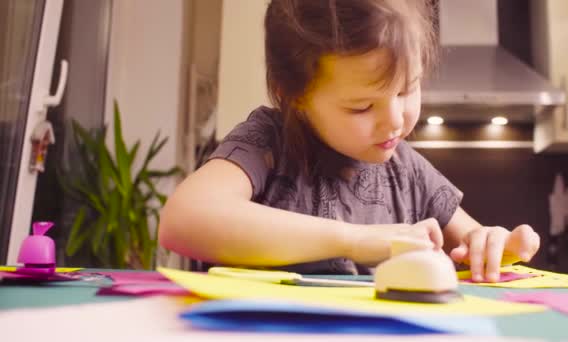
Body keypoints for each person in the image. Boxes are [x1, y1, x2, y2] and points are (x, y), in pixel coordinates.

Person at [159, 0, 540, 282]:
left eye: (407, 91)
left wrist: (489, 243)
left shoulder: (406, 169)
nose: (395, 120)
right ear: (294, 95)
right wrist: (355, 240)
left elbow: (472, 236)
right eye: (361, 107)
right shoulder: (268, 143)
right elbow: (183, 220)